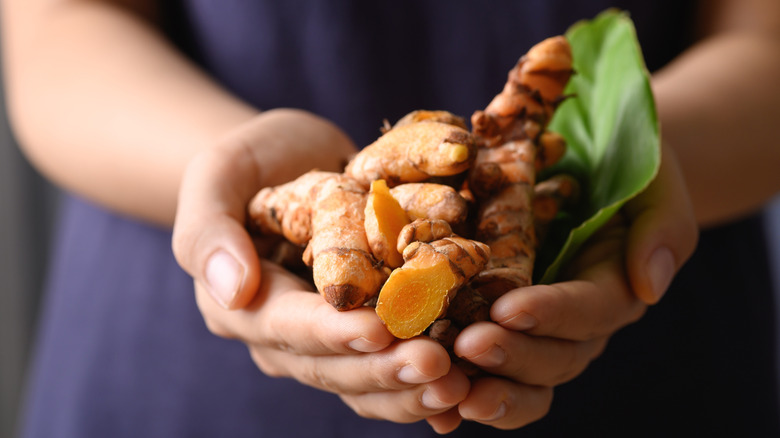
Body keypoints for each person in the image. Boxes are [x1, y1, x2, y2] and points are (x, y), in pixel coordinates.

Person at [2, 0, 778, 437]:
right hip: (176, 380)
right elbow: (57, 28)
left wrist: (628, 156)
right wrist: (231, 168)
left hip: (658, 379)